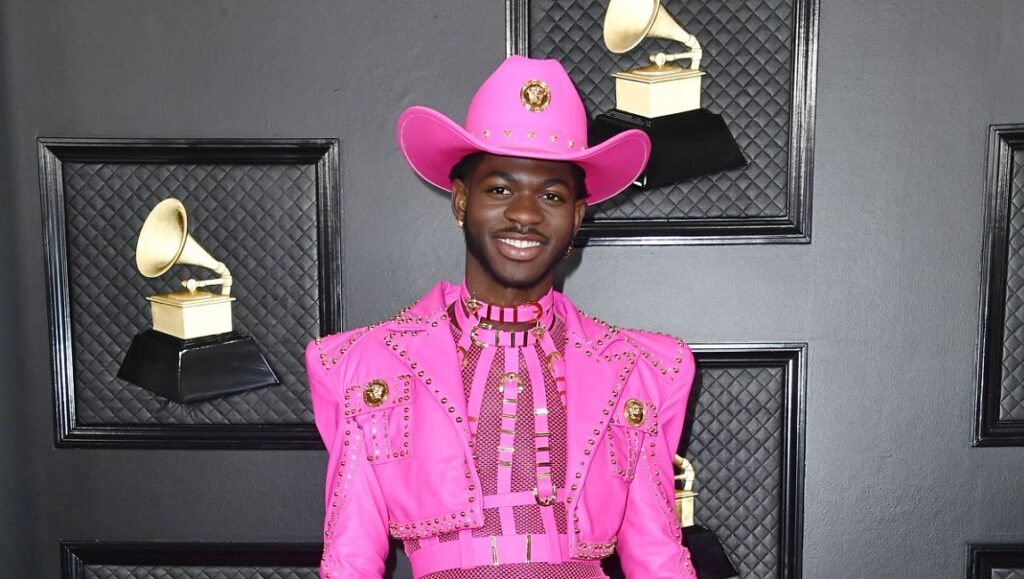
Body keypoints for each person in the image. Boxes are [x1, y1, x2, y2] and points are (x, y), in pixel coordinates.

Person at [306, 56, 698, 579]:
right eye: (500, 189)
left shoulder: (637, 370)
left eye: (552, 194)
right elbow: (348, 562)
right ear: (462, 201)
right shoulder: (366, 366)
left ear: (577, 217)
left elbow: (658, 559)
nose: (526, 214)